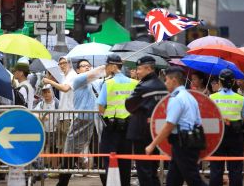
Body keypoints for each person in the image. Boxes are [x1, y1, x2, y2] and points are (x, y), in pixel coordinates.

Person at [145, 66, 207, 186]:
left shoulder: (177, 99)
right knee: (173, 180)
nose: (165, 83)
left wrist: (152, 145)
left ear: (174, 80)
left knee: (193, 179)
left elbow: (169, 125)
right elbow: (198, 121)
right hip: (188, 142)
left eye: (166, 80)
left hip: (183, 144)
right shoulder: (189, 96)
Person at [56, 59, 105, 186]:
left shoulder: (97, 83)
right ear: (77, 70)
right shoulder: (77, 80)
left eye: (88, 66)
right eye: (83, 66)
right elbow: (95, 74)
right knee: (70, 156)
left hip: (95, 123)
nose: (86, 68)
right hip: (81, 122)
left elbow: (104, 79)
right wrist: (107, 66)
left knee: (100, 157)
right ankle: (62, 183)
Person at [125, 56, 168, 186]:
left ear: (148, 68)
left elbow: (129, 104)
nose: (137, 72)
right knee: (153, 168)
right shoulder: (162, 85)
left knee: (143, 169)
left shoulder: (143, 86)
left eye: (139, 69)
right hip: (156, 131)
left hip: (141, 130)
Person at [96, 54, 138, 186]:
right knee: (125, 162)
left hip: (111, 128)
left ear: (113, 66)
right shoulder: (134, 83)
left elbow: (101, 106)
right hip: (128, 129)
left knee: (110, 161)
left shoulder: (108, 83)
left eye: (107, 65)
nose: (106, 68)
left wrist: (108, 113)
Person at [209, 69, 244, 186]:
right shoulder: (240, 98)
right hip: (236, 136)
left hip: (217, 137)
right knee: (236, 169)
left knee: (216, 169)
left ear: (220, 82)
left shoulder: (212, 98)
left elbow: (207, 118)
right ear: (233, 82)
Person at [43, 56, 77, 153]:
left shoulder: (73, 75)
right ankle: (65, 165)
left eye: (64, 63)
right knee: (62, 144)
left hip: (70, 115)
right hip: (63, 114)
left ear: (69, 63)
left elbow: (65, 88)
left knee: (69, 143)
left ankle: (71, 165)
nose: (62, 65)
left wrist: (50, 81)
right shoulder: (64, 77)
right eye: (60, 63)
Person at [34, 84, 59, 168]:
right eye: (44, 92)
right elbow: (34, 113)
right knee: (43, 148)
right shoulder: (41, 104)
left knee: (53, 150)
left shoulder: (57, 103)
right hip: (44, 130)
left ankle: (54, 167)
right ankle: (44, 166)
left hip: (55, 130)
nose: (46, 94)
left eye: (48, 92)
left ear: (52, 92)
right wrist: (41, 117)